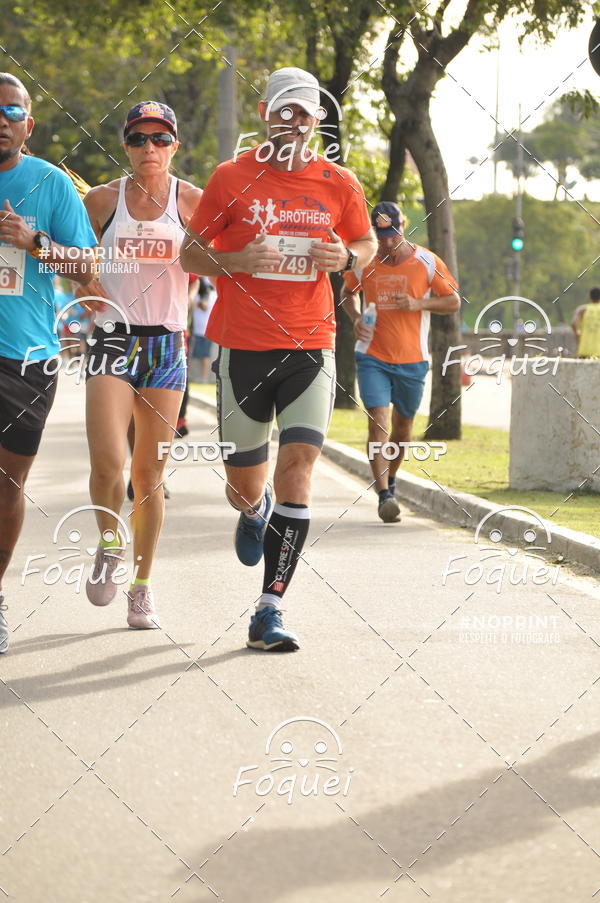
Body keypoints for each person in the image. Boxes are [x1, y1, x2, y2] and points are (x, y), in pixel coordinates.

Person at [181, 66, 377, 652]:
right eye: (283, 109)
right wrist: (237, 260)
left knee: (299, 466)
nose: (293, 120)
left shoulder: (338, 182)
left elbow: (365, 244)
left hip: (310, 346)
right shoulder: (231, 176)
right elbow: (192, 254)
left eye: (305, 112)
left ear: (318, 121)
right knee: (245, 486)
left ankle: (270, 607)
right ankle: (252, 508)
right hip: (242, 346)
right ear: (265, 113)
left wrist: (346, 254)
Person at [80, 101, 202, 629]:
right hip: (111, 338)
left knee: (148, 477)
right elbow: (75, 260)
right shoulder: (102, 200)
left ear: (174, 146)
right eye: (138, 139)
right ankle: (110, 544)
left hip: (165, 345)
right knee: (108, 464)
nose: (149, 148)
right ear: (126, 146)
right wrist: (85, 286)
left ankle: (142, 585)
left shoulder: (193, 201)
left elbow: (213, 262)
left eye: (159, 139)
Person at [0, 73, 96, 654]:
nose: (1, 118)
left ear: (28, 125)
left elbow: (87, 269)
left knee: (7, 486)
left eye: (12, 110)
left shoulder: (51, 184)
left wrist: (36, 243)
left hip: (25, 359)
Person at [341, 201, 460, 523]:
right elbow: (346, 293)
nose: (388, 241)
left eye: (393, 233)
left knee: (403, 429)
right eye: (381, 235)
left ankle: (390, 480)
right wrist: (355, 319)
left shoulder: (426, 261)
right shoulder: (364, 261)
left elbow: (453, 301)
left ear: (403, 226)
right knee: (377, 419)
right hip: (371, 356)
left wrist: (420, 302)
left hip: (413, 360)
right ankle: (383, 495)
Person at [190, 276, 217, 382]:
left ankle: (204, 378)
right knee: (192, 354)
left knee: (205, 355)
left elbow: (204, 307)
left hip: (206, 330)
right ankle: (189, 376)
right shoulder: (197, 296)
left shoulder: (213, 295)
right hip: (195, 330)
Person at [571, 287, 600, 358]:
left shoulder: (582, 310)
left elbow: (574, 324)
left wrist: (578, 335)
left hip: (585, 349)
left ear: (590, 297)